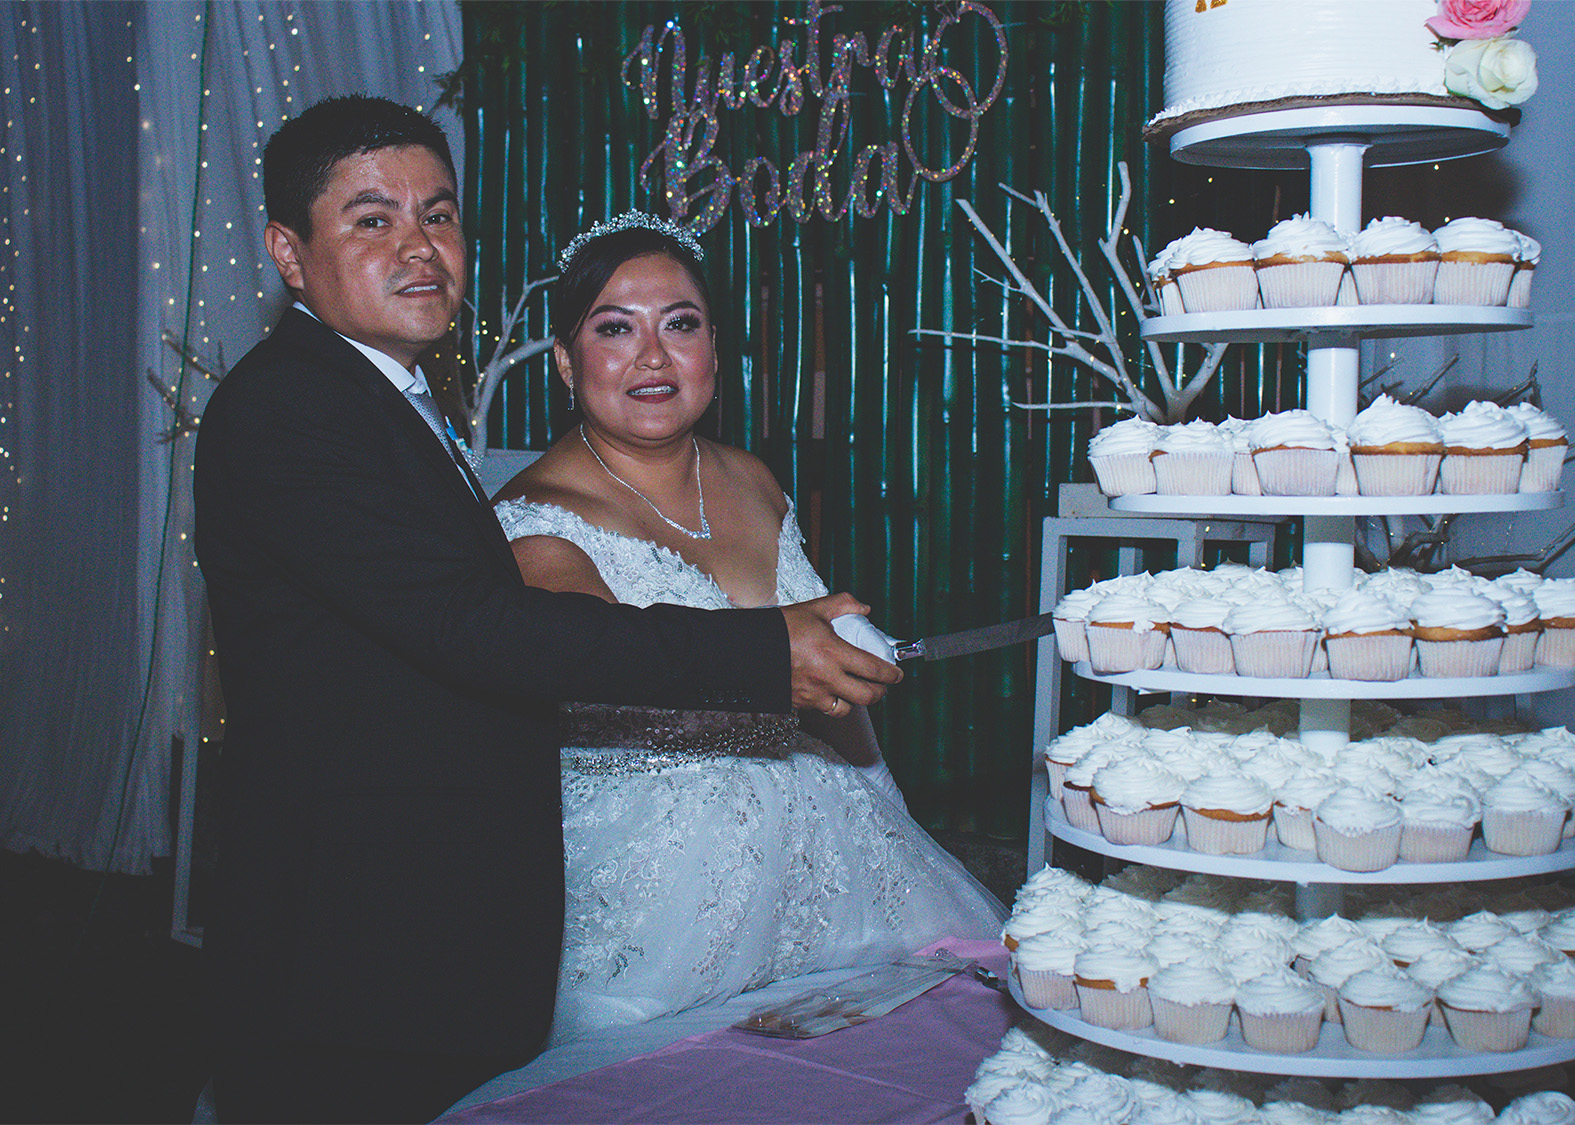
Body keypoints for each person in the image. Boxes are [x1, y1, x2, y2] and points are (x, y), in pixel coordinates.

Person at [192, 97, 899, 1124]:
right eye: (373, 220)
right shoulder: (289, 408)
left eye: (438, 215)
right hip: (354, 930)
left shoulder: (381, 395)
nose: (419, 247)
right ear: (288, 254)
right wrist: (761, 655)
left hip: (429, 920)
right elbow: (480, 629)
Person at [492, 213, 1006, 1044]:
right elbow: (600, 660)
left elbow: (822, 686)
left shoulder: (753, 479)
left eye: (680, 325)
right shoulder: (537, 523)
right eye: (614, 328)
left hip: (840, 853)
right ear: (563, 361)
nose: (652, 356)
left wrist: (887, 805)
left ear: (715, 352)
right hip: (665, 889)